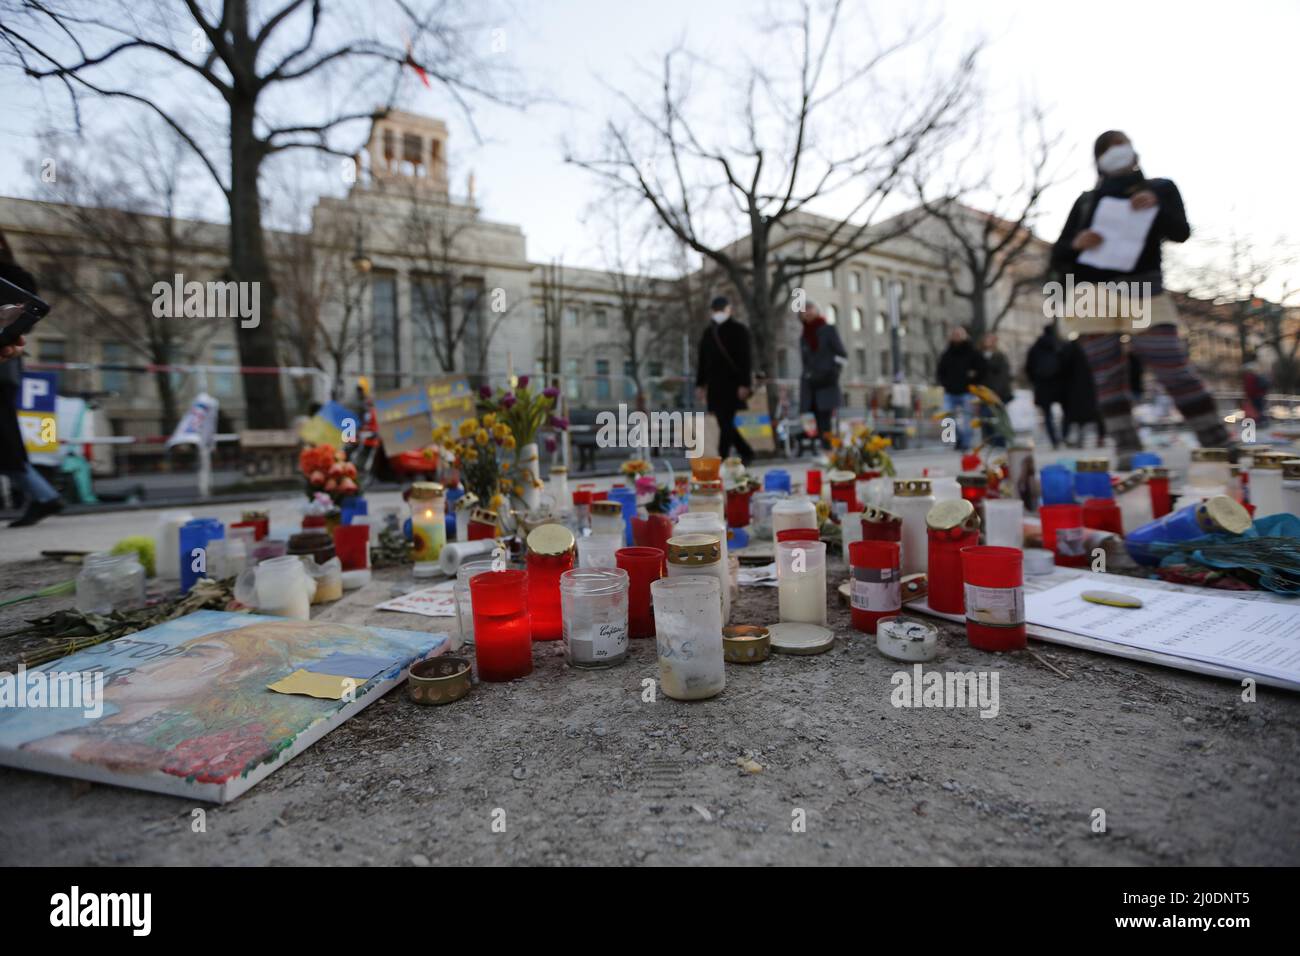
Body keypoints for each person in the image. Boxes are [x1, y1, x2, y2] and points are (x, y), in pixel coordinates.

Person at [1050, 130, 1228, 463]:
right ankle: (1127, 451)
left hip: (1142, 288)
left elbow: (1180, 232)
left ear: (1134, 152)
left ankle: (1218, 443)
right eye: (1107, 149)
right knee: (1108, 379)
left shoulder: (1160, 188)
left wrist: (1156, 206)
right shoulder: (1087, 200)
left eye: (1120, 146)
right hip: (1090, 293)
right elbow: (1059, 253)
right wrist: (1076, 243)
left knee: (1171, 366)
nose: (1115, 154)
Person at [0, 232, 64, 527]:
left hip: (4, 371)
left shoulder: (13, 275)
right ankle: (43, 495)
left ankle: (43, 496)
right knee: (6, 438)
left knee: (6, 436)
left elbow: (26, 314)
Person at [695, 296, 754, 463]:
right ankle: (745, 451)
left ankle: (723, 457)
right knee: (723, 421)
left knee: (726, 420)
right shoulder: (708, 333)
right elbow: (702, 361)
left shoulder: (739, 330)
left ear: (729, 310)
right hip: (714, 385)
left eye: (722, 309)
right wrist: (700, 384)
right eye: (717, 310)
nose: (719, 313)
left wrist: (745, 384)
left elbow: (746, 359)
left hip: (733, 384)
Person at [796, 300, 847, 448]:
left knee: (826, 420)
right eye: (803, 310)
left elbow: (842, 355)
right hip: (811, 385)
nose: (807, 312)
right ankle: (825, 451)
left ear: (817, 310)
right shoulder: (803, 337)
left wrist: (833, 373)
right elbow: (805, 362)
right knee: (816, 421)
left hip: (827, 383)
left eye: (810, 308)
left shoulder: (828, 330)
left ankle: (829, 451)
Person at [936, 326, 985, 452]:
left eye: (959, 334)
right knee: (947, 418)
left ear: (965, 336)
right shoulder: (947, 354)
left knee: (968, 420)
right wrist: (945, 383)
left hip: (967, 392)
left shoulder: (973, 353)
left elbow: (982, 370)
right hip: (950, 392)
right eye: (955, 334)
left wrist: (973, 383)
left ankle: (966, 444)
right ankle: (956, 439)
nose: (957, 336)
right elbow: (940, 371)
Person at [1025, 323, 1065, 448]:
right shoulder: (1060, 345)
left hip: (1042, 385)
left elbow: (1028, 367)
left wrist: (1035, 380)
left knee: (1047, 415)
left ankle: (1054, 440)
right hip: (1059, 383)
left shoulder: (1035, 347)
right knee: (1066, 411)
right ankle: (1063, 436)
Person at [978, 333, 1013, 448]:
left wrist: (995, 392)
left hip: (998, 393)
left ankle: (1000, 442)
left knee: (997, 418)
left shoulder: (1000, 356)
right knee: (985, 418)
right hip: (983, 393)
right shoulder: (979, 356)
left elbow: (1003, 375)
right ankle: (989, 441)